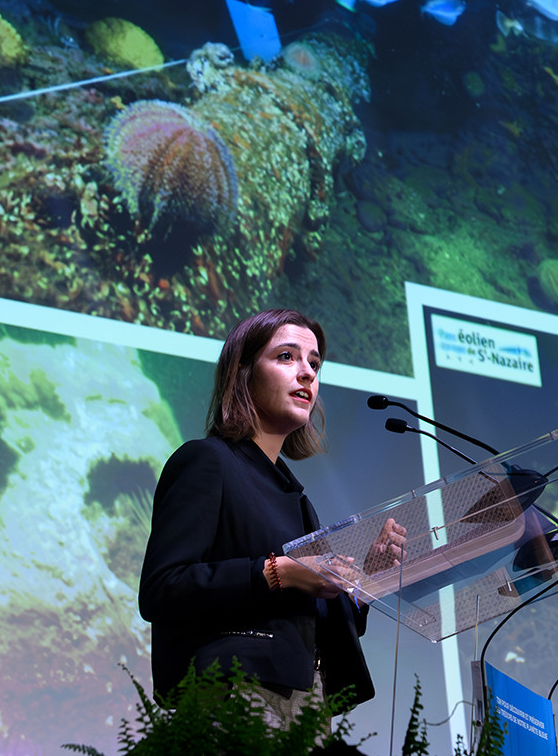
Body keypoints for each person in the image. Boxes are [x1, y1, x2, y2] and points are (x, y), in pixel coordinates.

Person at [138, 308, 404, 722]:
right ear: (243, 372)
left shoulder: (297, 499)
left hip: (307, 706)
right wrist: (278, 572)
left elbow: (307, 621)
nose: (307, 374)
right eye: (287, 357)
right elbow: (161, 589)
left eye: (314, 363)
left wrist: (365, 583)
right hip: (235, 698)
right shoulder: (207, 461)